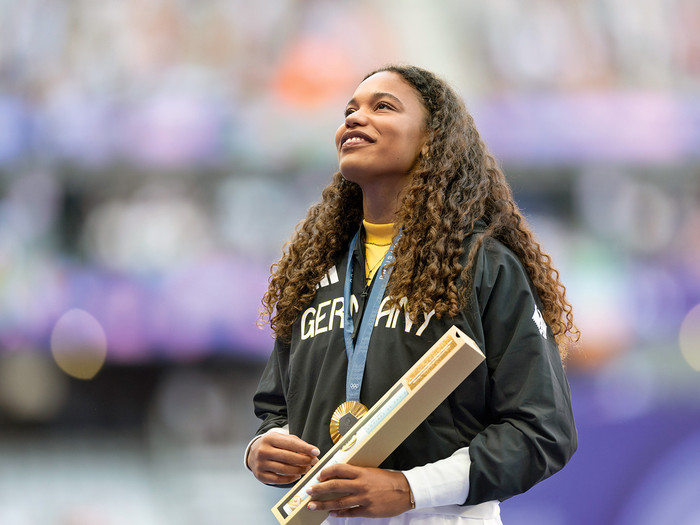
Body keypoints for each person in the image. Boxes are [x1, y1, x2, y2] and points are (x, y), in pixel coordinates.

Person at [246, 65, 578, 524]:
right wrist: (262, 447)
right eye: (350, 110)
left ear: (431, 139)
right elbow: (276, 407)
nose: (355, 119)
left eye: (383, 106)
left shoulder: (481, 262)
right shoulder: (314, 268)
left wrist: (410, 489)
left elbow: (542, 430)